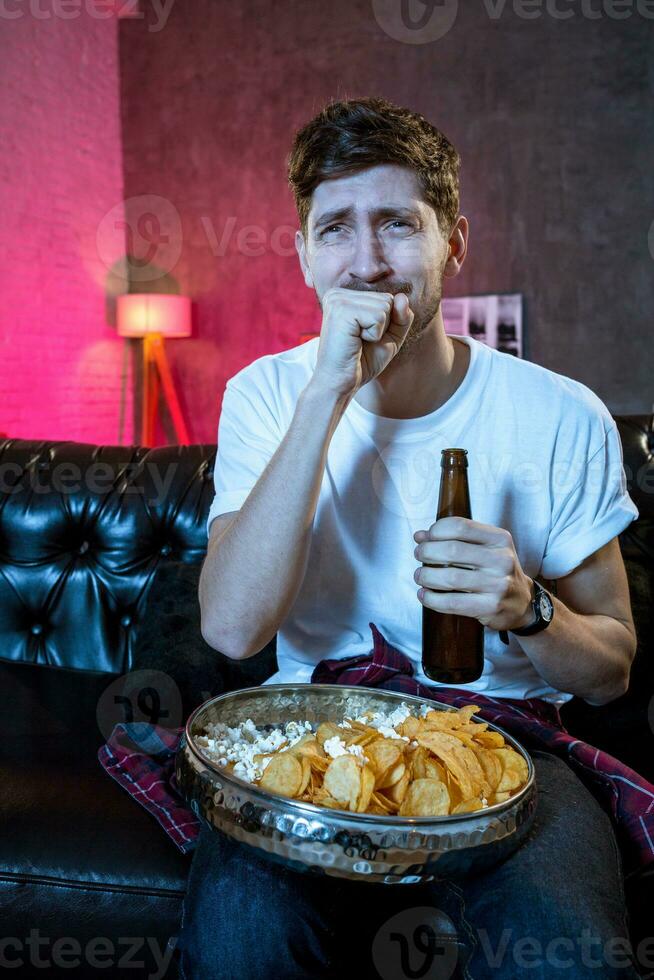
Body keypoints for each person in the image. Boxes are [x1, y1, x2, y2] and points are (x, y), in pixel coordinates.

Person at [180, 97, 641, 979]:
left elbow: (612, 668)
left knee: (570, 960)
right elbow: (233, 630)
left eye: (397, 225)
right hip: (308, 738)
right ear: (305, 255)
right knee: (240, 938)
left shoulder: (561, 414)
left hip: (509, 745)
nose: (367, 263)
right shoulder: (266, 395)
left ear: (453, 243)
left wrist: (529, 608)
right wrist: (327, 392)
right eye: (336, 231)